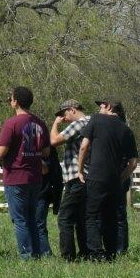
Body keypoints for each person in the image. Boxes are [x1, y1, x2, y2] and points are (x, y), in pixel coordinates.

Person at [77, 99, 139, 261]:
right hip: (114, 180)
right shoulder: (126, 130)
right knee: (111, 216)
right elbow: (133, 163)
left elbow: (84, 146)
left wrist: (80, 170)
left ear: (110, 107)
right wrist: (120, 178)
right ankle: (111, 253)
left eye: (101, 105)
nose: (99, 108)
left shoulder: (96, 120)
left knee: (91, 215)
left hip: (96, 176)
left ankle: (96, 253)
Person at [0, 86, 50, 259]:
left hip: (16, 176)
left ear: (16, 101)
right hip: (35, 176)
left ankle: (27, 255)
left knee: (20, 219)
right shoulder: (39, 123)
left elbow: (1, 151)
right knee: (32, 218)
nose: (10, 101)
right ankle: (37, 253)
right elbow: (47, 152)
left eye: (11, 98)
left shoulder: (12, 123)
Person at [50, 99, 90, 261]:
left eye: (63, 114)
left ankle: (68, 257)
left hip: (76, 177)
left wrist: (55, 124)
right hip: (88, 177)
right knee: (81, 217)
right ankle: (86, 252)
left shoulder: (80, 123)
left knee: (64, 217)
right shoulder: (92, 122)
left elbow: (54, 141)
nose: (63, 118)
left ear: (72, 110)